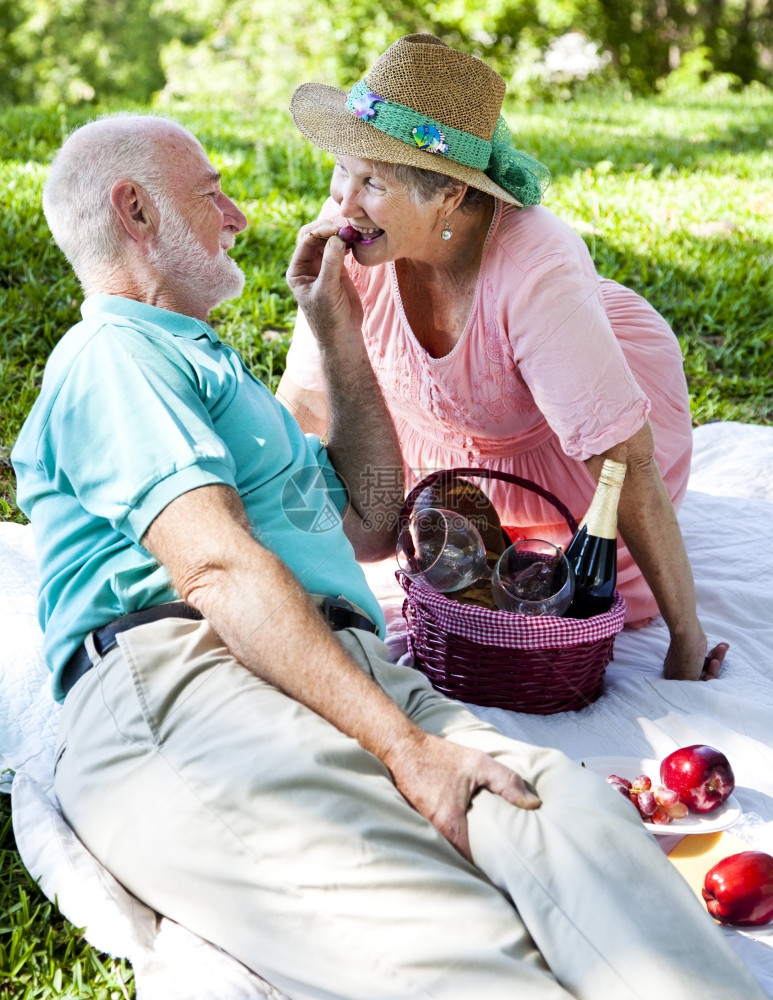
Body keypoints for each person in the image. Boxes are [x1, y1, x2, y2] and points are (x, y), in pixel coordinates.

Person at [11, 113, 764, 1000]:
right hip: (194, 676)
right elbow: (212, 570)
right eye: (212, 191)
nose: (240, 214)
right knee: (447, 939)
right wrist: (405, 748)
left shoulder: (211, 368)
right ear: (134, 211)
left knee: (566, 816)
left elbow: (369, 521)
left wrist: (336, 332)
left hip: (334, 663)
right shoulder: (115, 355)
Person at [279, 32, 726, 682]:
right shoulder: (355, 234)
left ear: (450, 196)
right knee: (380, 543)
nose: (343, 202)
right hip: (442, 460)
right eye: (341, 169)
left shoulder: (532, 268)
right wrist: (329, 329)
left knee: (557, 605)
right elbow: (306, 407)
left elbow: (622, 460)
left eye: (373, 180)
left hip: (565, 478)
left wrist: (685, 634)